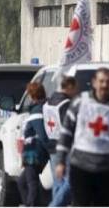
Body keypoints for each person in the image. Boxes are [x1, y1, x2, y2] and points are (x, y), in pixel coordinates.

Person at [55, 68, 109, 207]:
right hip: (80, 167)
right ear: (94, 82)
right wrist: (60, 160)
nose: (104, 85)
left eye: (108, 81)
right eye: (101, 81)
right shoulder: (80, 102)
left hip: (108, 169)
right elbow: (66, 132)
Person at [44, 76, 78, 207]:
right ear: (68, 87)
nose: (76, 91)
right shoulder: (65, 104)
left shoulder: (48, 103)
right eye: (75, 88)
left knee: (58, 184)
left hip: (52, 146)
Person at [17, 82, 51, 207]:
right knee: (21, 183)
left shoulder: (37, 111)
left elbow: (41, 135)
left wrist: (50, 151)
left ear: (33, 96)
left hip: (34, 154)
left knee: (31, 184)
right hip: (31, 153)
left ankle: (31, 205)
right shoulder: (40, 108)